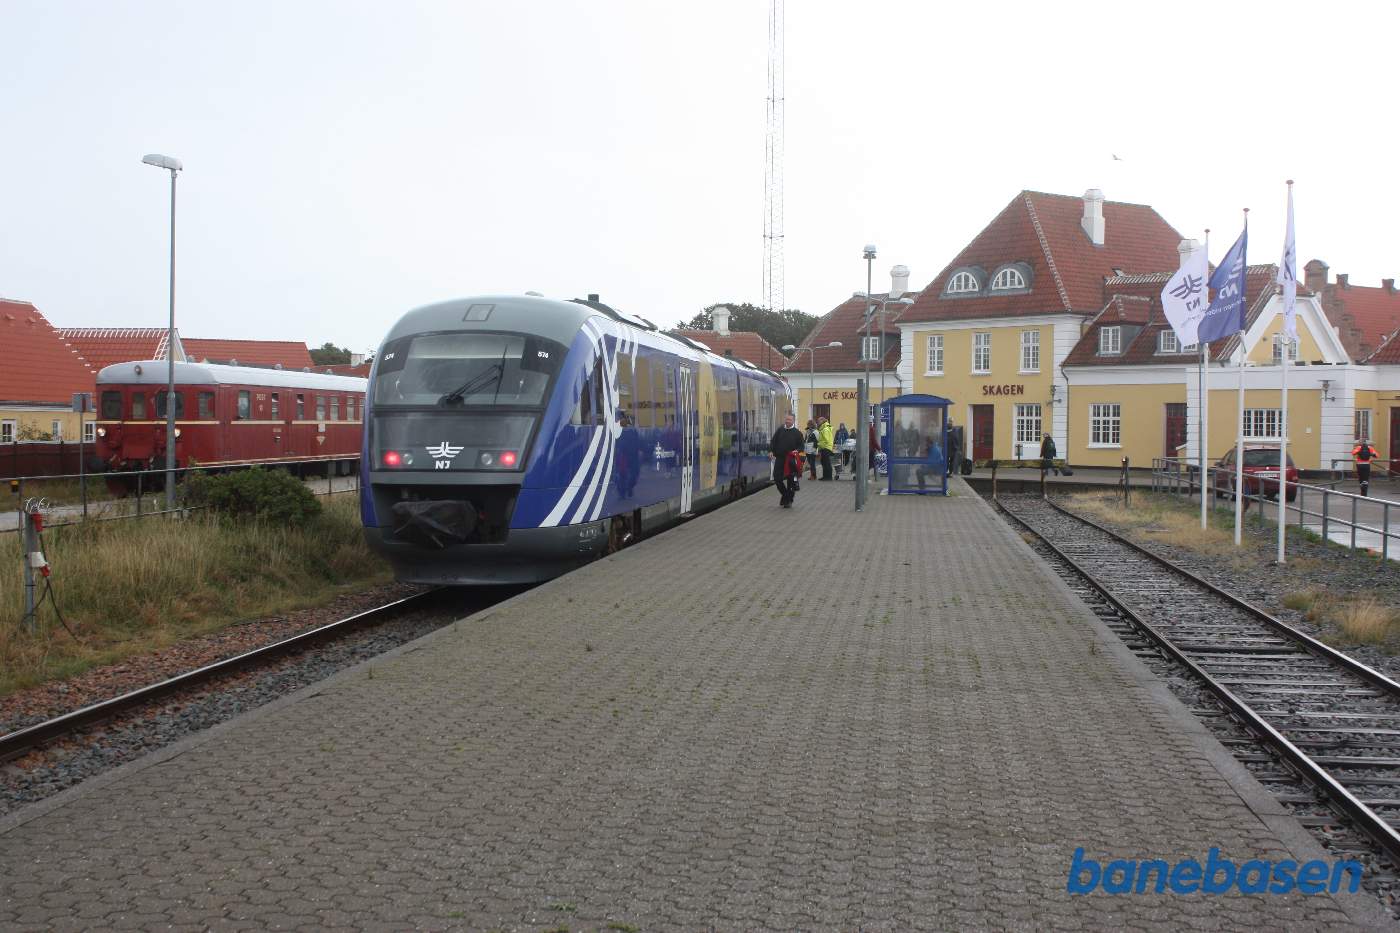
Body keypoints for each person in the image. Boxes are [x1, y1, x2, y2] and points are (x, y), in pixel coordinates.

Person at [770, 412, 805, 508]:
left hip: (791, 460)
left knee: (791, 480)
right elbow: (773, 441)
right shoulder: (780, 430)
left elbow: (801, 446)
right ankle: (786, 495)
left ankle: (788, 500)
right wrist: (771, 451)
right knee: (777, 478)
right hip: (780, 458)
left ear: (793, 420)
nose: (787, 421)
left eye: (789, 419)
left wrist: (796, 451)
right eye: (786, 419)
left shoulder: (797, 433)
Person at [614, 412, 642, 498]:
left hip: (633, 456)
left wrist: (640, 450)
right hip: (623, 456)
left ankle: (629, 488)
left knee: (634, 475)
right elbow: (616, 443)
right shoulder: (620, 431)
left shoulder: (633, 431)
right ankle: (622, 493)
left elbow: (638, 442)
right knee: (622, 475)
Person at [817, 416, 835, 480]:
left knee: (826, 463)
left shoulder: (825, 429)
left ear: (822, 421)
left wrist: (819, 444)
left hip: (826, 448)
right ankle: (825, 476)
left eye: (818, 421)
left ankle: (828, 477)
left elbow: (826, 440)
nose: (817, 422)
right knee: (824, 462)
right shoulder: (823, 428)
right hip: (825, 448)